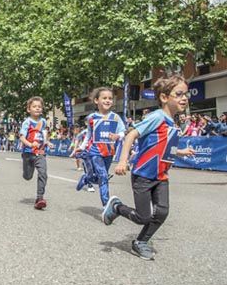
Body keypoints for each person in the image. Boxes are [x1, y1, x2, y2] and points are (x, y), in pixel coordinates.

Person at [102, 75, 196, 260]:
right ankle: (117, 207)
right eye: (179, 94)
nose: (184, 98)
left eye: (186, 94)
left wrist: (181, 152)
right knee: (143, 217)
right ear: (164, 97)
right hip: (143, 175)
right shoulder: (157, 117)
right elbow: (131, 136)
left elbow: (166, 147)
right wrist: (122, 161)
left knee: (162, 212)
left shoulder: (172, 121)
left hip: (161, 176)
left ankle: (141, 242)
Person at [78, 87, 125, 207]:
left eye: (110, 98)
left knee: (100, 177)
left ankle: (86, 179)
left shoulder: (115, 117)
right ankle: (106, 205)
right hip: (95, 151)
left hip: (109, 152)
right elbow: (89, 134)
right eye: (104, 98)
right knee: (103, 176)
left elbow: (123, 132)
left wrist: (117, 136)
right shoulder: (91, 118)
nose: (108, 100)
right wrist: (82, 147)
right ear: (96, 101)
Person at [19, 96, 50, 210]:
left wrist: (47, 142)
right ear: (29, 109)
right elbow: (22, 137)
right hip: (28, 153)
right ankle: (26, 172)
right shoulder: (27, 122)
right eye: (34, 106)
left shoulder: (43, 121)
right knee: (28, 176)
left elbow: (44, 134)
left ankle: (40, 198)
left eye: (39, 107)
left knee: (43, 173)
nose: (37, 108)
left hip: (40, 152)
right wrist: (30, 144)